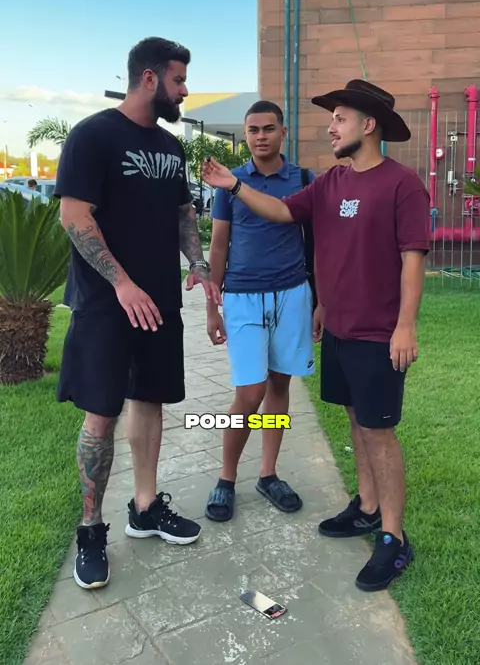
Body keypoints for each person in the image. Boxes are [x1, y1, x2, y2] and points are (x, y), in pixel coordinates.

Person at [201, 80, 430, 592]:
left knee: (379, 432)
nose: (331, 127)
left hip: (378, 332)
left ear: (368, 125)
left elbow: (413, 259)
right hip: (340, 328)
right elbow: (283, 211)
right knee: (355, 420)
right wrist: (233, 186)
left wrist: (406, 324)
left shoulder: (402, 184)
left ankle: (394, 538)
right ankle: (366, 507)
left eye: (340, 119)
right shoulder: (330, 183)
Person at [54, 37, 221, 590]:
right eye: (179, 80)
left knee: (151, 400)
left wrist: (198, 263)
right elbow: (74, 216)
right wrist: (122, 283)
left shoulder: (170, 147)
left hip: (160, 300)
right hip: (107, 304)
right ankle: (90, 528)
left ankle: (145, 508)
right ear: (149, 78)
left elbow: (182, 213)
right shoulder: (93, 135)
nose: (185, 91)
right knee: (101, 414)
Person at [204, 100, 316, 522]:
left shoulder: (303, 179)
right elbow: (218, 247)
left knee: (279, 387)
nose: (261, 136)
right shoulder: (228, 182)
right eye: (253, 130)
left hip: (291, 294)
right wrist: (212, 307)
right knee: (249, 393)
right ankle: (226, 477)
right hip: (242, 296)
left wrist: (320, 301)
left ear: (283, 132)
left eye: (269, 128)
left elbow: (316, 245)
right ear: (246, 134)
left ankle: (268, 474)